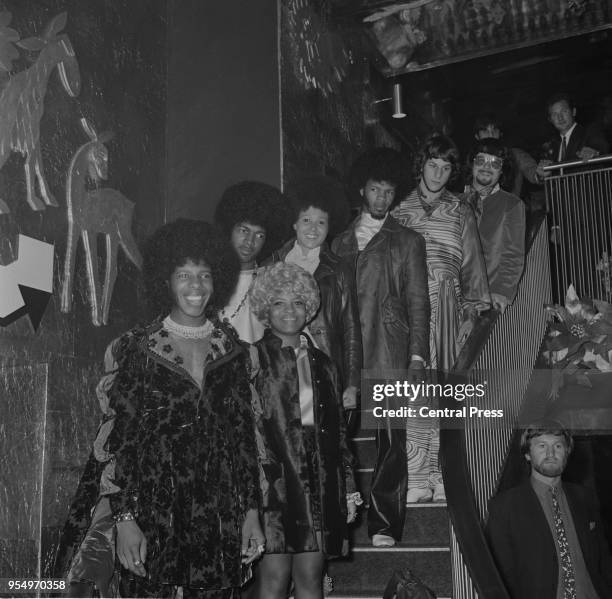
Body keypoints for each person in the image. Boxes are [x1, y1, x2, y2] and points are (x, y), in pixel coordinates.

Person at [55, 219, 265, 598]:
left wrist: (251, 512)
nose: (196, 287)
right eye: (184, 275)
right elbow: (119, 443)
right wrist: (124, 518)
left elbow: (244, 441)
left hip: (217, 518)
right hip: (152, 515)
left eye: (204, 275)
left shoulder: (235, 354)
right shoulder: (138, 349)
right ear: (165, 281)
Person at [332, 147, 430, 548]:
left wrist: (418, 355)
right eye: (375, 190)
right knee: (337, 437)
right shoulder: (338, 242)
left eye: (389, 192)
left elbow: (419, 301)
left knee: (391, 439)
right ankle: (337, 522)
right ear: (362, 189)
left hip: (390, 347)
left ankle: (386, 524)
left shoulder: (407, 240)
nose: (381, 199)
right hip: (343, 353)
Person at [248, 262, 359, 599]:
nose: (289, 311)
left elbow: (338, 433)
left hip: (319, 488)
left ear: (310, 309)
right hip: (274, 489)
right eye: (279, 302)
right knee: (274, 580)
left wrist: (349, 488)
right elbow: (245, 434)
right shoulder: (251, 359)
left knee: (311, 577)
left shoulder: (324, 364)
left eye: (298, 302)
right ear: (266, 308)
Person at [393, 134, 491, 504]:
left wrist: (472, 311)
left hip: (449, 307)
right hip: (410, 308)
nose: (438, 172)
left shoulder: (461, 209)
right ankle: (417, 475)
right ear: (421, 164)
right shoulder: (399, 209)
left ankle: (442, 472)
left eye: (446, 167)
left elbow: (473, 266)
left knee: (445, 394)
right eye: (433, 164)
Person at [486, 420, 612, 599]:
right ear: (528, 454)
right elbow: (501, 574)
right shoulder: (505, 506)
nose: (551, 453)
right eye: (542, 446)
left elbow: (603, 559)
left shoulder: (585, 498)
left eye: (558, 446)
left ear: (567, 452)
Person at [267, 175, 362, 412]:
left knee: (315, 431)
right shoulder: (274, 262)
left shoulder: (339, 268)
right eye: (306, 220)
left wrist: (352, 384)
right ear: (294, 223)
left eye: (321, 222)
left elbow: (351, 328)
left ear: (330, 227)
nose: (312, 228)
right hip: (277, 363)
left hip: (322, 362)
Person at [215, 181, 291, 342]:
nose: (250, 241)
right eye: (244, 230)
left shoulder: (273, 282)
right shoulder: (208, 276)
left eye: (259, 235)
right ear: (229, 228)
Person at [462, 137, 526, 313]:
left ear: (502, 171)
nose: (486, 167)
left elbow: (513, 255)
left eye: (495, 163)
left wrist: (501, 291)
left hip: (487, 299)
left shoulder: (511, 204)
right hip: (453, 298)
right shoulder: (454, 202)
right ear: (472, 164)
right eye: (481, 160)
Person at [473, 113, 542, 200]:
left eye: (494, 130)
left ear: (500, 134)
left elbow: (532, 171)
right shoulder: (471, 159)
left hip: (509, 211)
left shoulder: (515, 155)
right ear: (477, 136)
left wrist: (539, 174)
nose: (491, 135)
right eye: (485, 131)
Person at [539, 93, 610, 169]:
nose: (560, 118)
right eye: (554, 114)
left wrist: (596, 153)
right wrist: (542, 173)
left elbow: (603, 149)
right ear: (550, 120)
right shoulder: (551, 145)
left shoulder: (589, 132)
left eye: (564, 111)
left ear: (573, 112)